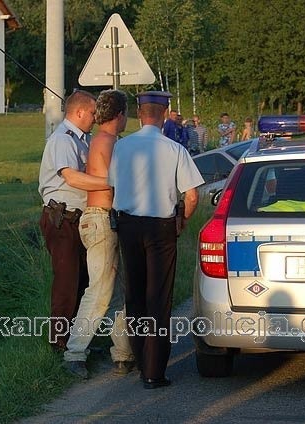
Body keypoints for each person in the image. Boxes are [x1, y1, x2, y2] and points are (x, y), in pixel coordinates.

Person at [108, 90, 204, 389]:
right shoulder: (174, 148)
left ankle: (139, 359)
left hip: (128, 225)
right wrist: (182, 221)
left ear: (139, 113)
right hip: (161, 227)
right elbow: (191, 195)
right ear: (165, 114)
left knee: (135, 296)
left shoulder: (122, 147)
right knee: (159, 298)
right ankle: (154, 371)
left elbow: (112, 186)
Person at [63, 89, 135, 379]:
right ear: (120, 115)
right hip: (102, 220)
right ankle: (74, 352)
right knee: (100, 291)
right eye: (126, 112)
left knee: (115, 292)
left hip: (103, 220)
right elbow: (111, 182)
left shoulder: (103, 140)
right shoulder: (108, 142)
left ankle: (123, 353)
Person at [38, 90, 109, 352]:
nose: (95, 118)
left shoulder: (83, 139)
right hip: (62, 219)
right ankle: (59, 343)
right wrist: (111, 184)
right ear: (79, 112)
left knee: (82, 281)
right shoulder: (63, 140)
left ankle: (78, 342)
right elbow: (73, 178)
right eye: (92, 113)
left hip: (78, 220)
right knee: (66, 283)